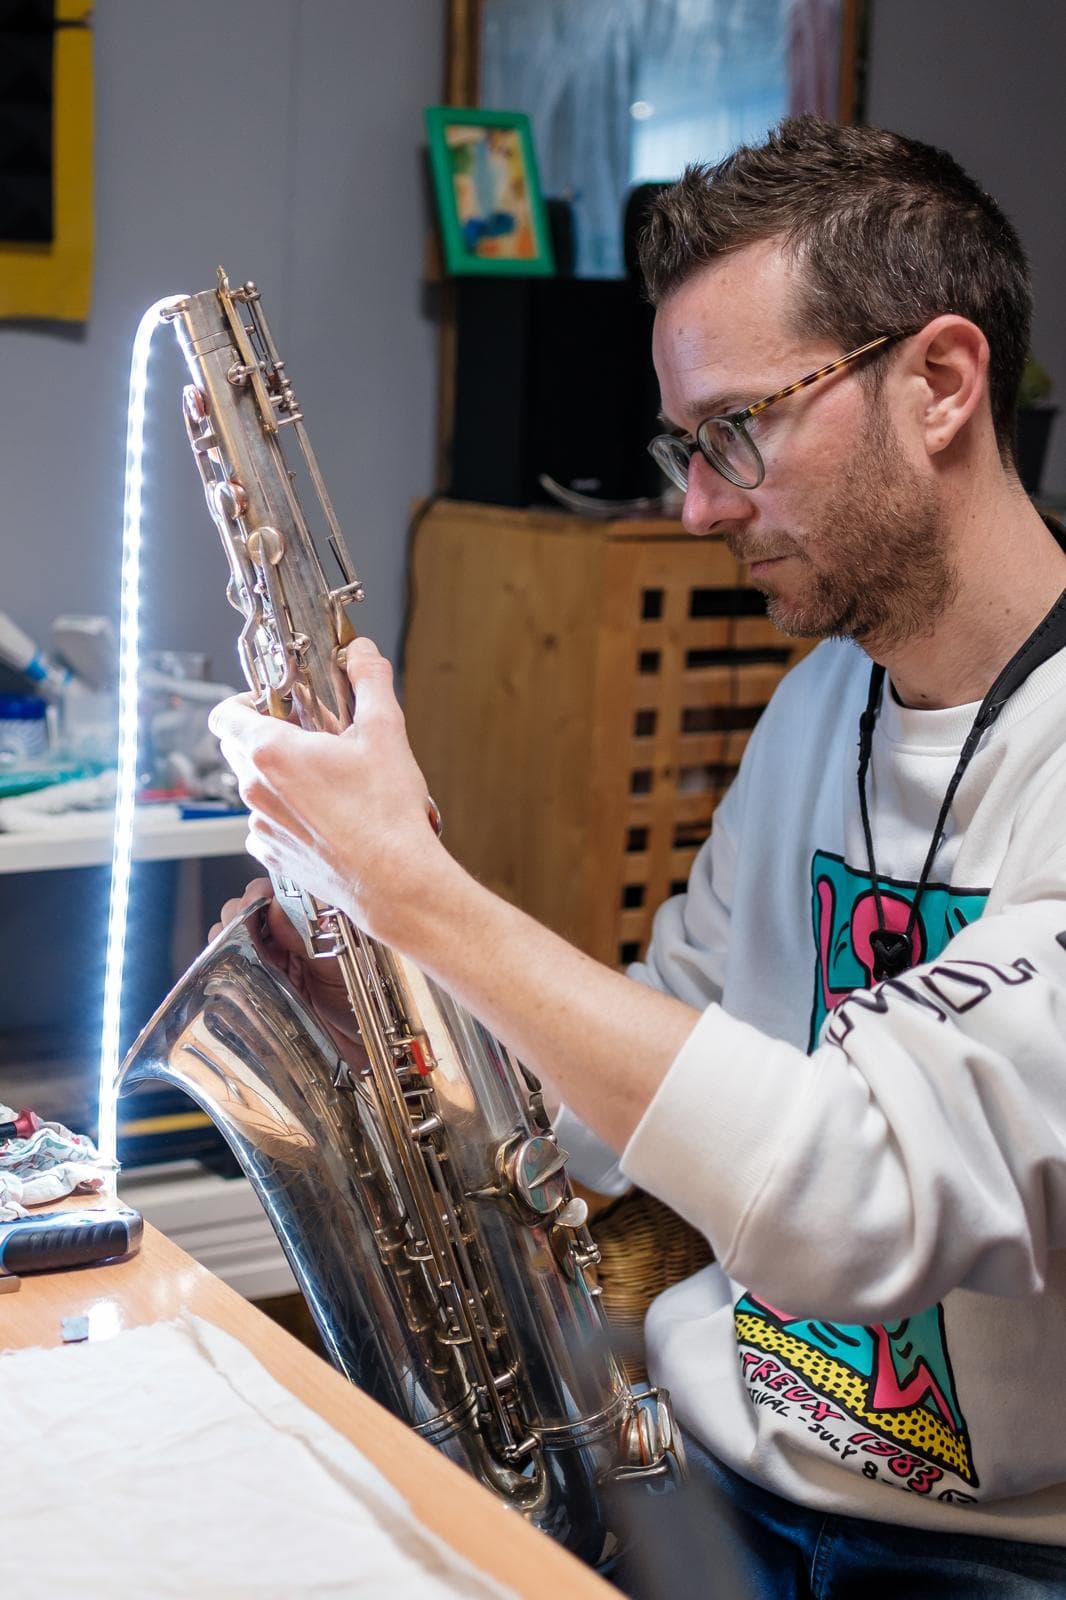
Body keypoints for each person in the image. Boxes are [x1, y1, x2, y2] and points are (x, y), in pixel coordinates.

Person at [209, 118, 1066, 1596]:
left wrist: (417, 886)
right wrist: (392, 994)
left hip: (986, 1557)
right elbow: (660, 1059)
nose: (697, 506)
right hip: (712, 1483)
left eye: (739, 428)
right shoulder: (822, 698)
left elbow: (856, 1202)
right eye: (687, 444)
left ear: (938, 383)